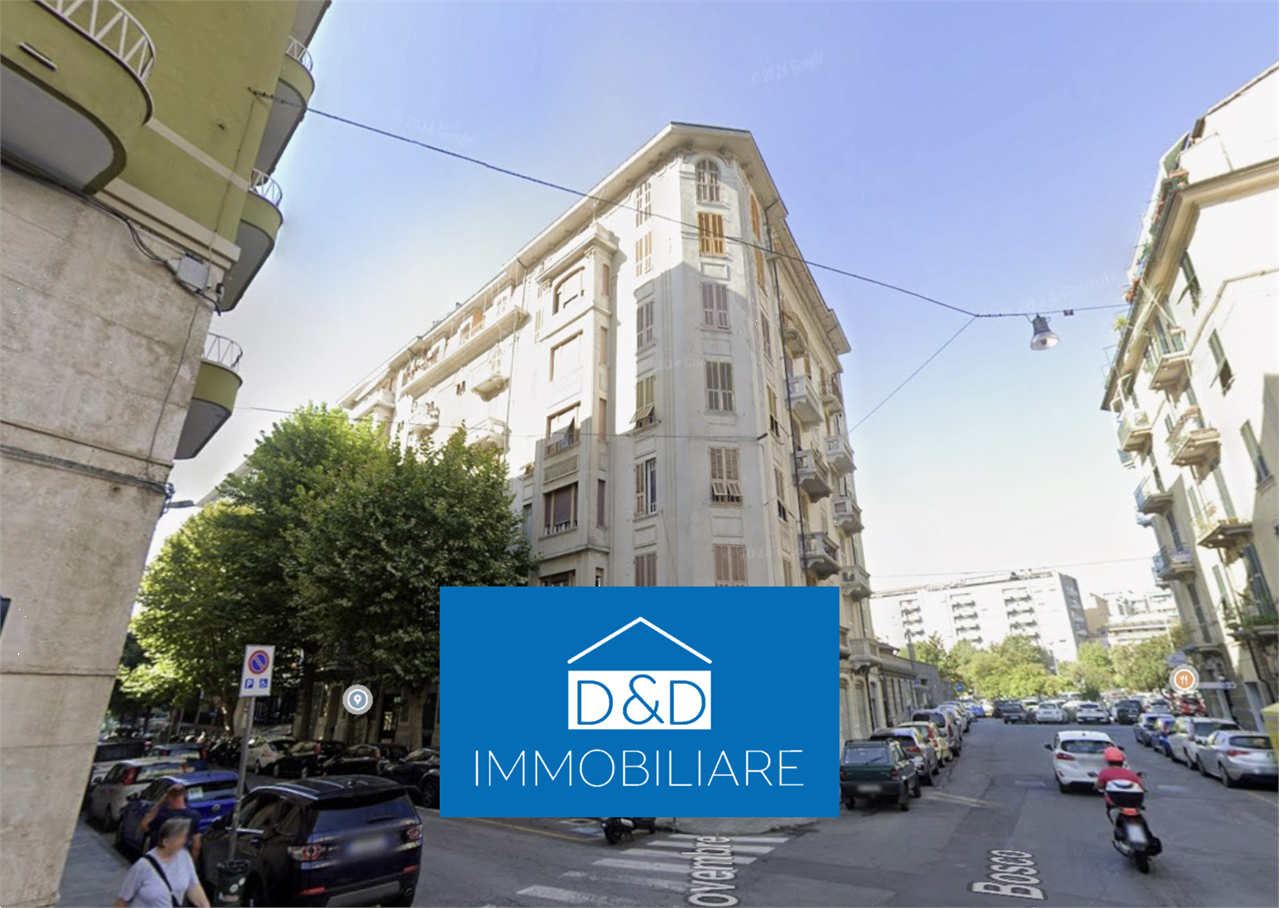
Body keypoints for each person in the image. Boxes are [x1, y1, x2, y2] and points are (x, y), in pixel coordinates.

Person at [114, 817, 210, 908]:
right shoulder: (142, 866)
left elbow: (194, 887)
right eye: (180, 837)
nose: (184, 840)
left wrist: (205, 906)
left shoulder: (184, 856)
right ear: (166, 842)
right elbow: (122, 901)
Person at [138, 782, 202, 862]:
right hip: (181, 860)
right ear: (184, 796)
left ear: (168, 797)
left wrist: (159, 804)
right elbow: (196, 845)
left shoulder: (162, 816)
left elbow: (143, 826)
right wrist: (191, 862)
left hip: (160, 859)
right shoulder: (194, 816)